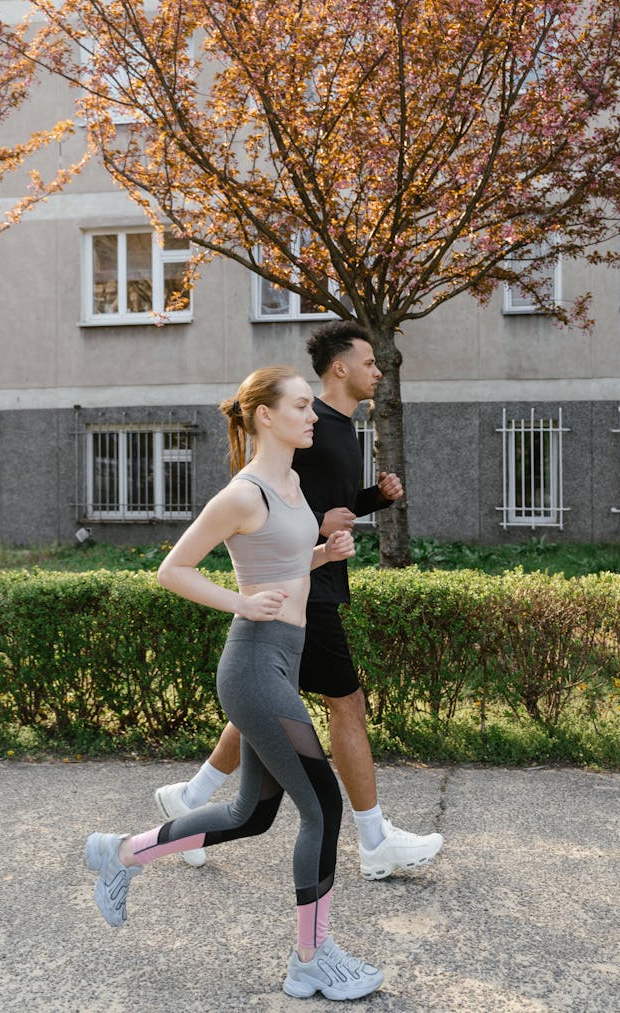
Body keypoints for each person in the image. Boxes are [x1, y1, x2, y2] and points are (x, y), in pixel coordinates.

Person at [84, 366, 384, 1002]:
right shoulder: (243, 494)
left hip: (281, 659)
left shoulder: (293, 483)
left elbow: (278, 559)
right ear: (265, 417)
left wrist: (322, 556)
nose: (313, 416)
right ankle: (312, 957)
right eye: (303, 406)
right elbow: (174, 570)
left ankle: (120, 852)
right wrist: (240, 604)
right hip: (253, 667)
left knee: (250, 814)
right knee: (323, 807)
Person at [154, 322, 444, 879]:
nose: (379, 371)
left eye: (309, 409)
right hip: (286, 604)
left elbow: (311, 509)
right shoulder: (297, 444)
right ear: (340, 367)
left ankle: (189, 799)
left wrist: (366, 505)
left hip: (307, 590)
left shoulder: (328, 432)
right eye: (369, 361)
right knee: (341, 708)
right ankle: (373, 839)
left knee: (262, 751)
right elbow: (270, 512)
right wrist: (252, 594)